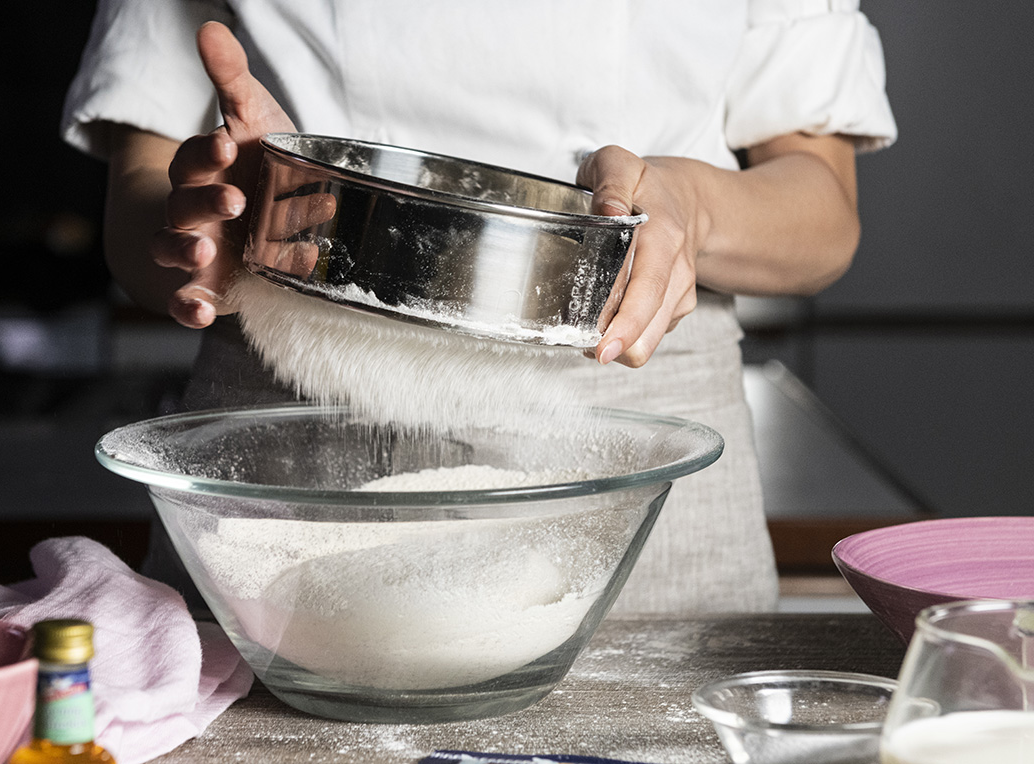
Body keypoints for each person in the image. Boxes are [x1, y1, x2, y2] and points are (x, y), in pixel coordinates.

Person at [63, 1, 897, 612]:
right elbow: (140, 191)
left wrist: (695, 207)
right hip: (290, 427)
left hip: (630, 426)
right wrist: (206, 230)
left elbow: (824, 208)